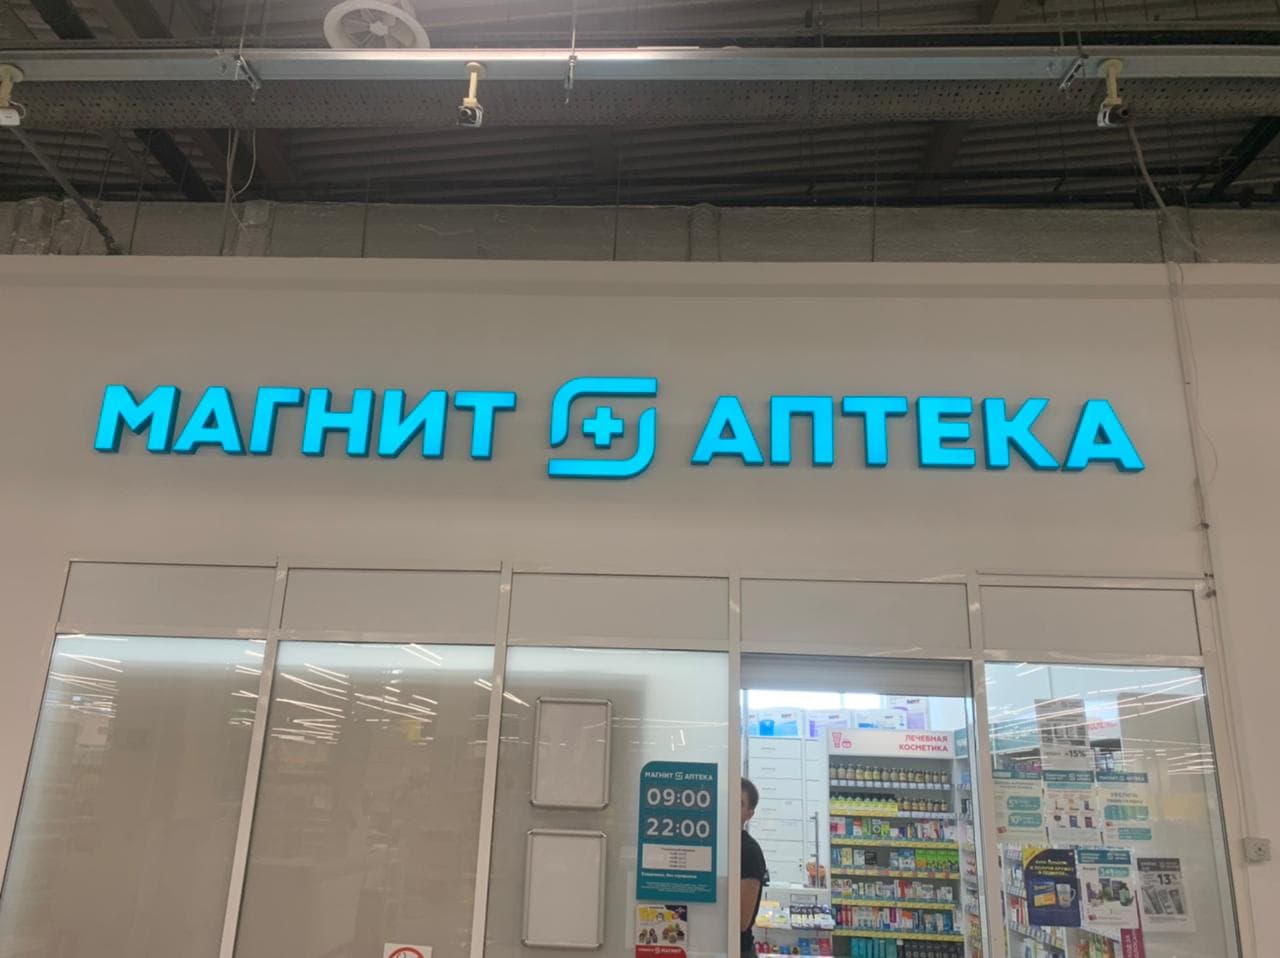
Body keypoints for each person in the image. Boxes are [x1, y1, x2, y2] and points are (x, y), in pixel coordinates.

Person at [740, 777, 768, 958]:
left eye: (739, 803)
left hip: (739, 951)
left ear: (749, 814)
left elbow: (742, 920)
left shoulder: (749, 851)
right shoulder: (715, 843)